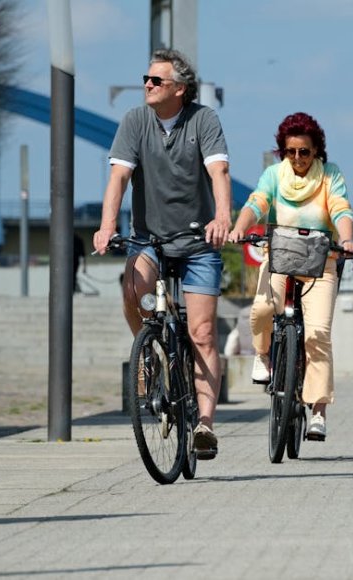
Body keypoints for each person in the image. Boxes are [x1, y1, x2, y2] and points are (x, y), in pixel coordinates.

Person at [92, 48, 232, 460]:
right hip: (148, 237)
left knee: (202, 333)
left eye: (157, 81)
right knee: (133, 292)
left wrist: (222, 215)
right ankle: (147, 351)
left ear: (180, 89)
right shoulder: (135, 122)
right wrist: (106, 225)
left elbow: (219, 171)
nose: (147, 86)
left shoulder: (203, 120)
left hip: (196, 242)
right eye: (146, 79)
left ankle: (205, 425)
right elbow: (118, 178)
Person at [228, 112, 353, 441]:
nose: (298, 158)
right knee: (260, 309)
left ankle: (318, 411)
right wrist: (240, 227)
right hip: (280, 257)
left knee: (317, 335)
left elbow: (340, 209)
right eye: (291, 152)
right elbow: (257, 202)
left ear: (317, 152)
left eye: (305, 152)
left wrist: (346, 239)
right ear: (282, 152)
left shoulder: (330, 176)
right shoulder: (274, 175)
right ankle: (263, 355)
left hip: (319, 262)